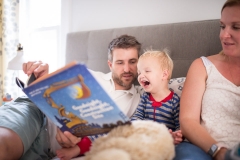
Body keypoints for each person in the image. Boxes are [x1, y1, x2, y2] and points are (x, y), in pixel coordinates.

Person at [0, 35, 143, 160]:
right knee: (3, 148)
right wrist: (42, 76)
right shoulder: (87, 75)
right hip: (35, 113)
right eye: (120, 62)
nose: (126, 69)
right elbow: (51, 88)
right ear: (110, 64)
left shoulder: (142, 98)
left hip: (46, 149)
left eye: (132, 61)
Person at [174, 0, 240, 160]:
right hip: (200, 149)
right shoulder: (202, 65)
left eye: (236, 27)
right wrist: (218, 152)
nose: (224, 35)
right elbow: (188, 121)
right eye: (222, 26)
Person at [131, 50, 182, 145]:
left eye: (147, 71)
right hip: (146, 139)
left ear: (164, 75)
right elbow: (138, 116)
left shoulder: (174, 101)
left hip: (165, 141)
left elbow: (180, 126)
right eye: (139, 73)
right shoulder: (145, 98)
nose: (141, 76)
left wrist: (176, 135)